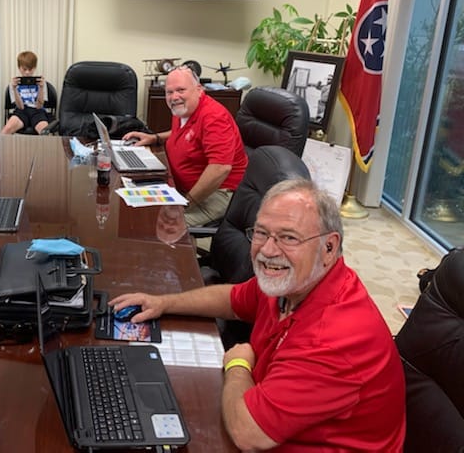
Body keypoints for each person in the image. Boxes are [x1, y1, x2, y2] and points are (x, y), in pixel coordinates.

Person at [110, 179, 406, 451]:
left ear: (329, 247)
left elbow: (247, 432)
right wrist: (163, 302)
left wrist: (238, 363)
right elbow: (234, 298)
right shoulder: (295, 281)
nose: (267, 250)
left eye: (288, 238)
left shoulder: (334, 339)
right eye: (261, 233)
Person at [124, 66, 247, 226]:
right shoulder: (184, 109)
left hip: (213, 194)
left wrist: (186, 203)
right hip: (178, 186)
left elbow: (220, 168)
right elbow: (184, 132)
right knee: (135, 208)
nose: (174, 97)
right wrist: (155, 138)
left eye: (181, 90)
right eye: (169, 92)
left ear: (199, 90)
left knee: (160, 227)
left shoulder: (214, 118)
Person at [1, 50, 49, 135]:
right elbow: (20, 107)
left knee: (45, 133)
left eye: (30, 69)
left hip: (37, 111)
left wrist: (41, 88)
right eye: (24, 69)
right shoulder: (14, 84)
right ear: (19, 68)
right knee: (6, 130)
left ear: (34, 68)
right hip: (21, 111)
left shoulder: (41, 83)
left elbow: (39, 106)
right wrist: (15, 89)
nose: (27, 72)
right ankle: (0, 148)